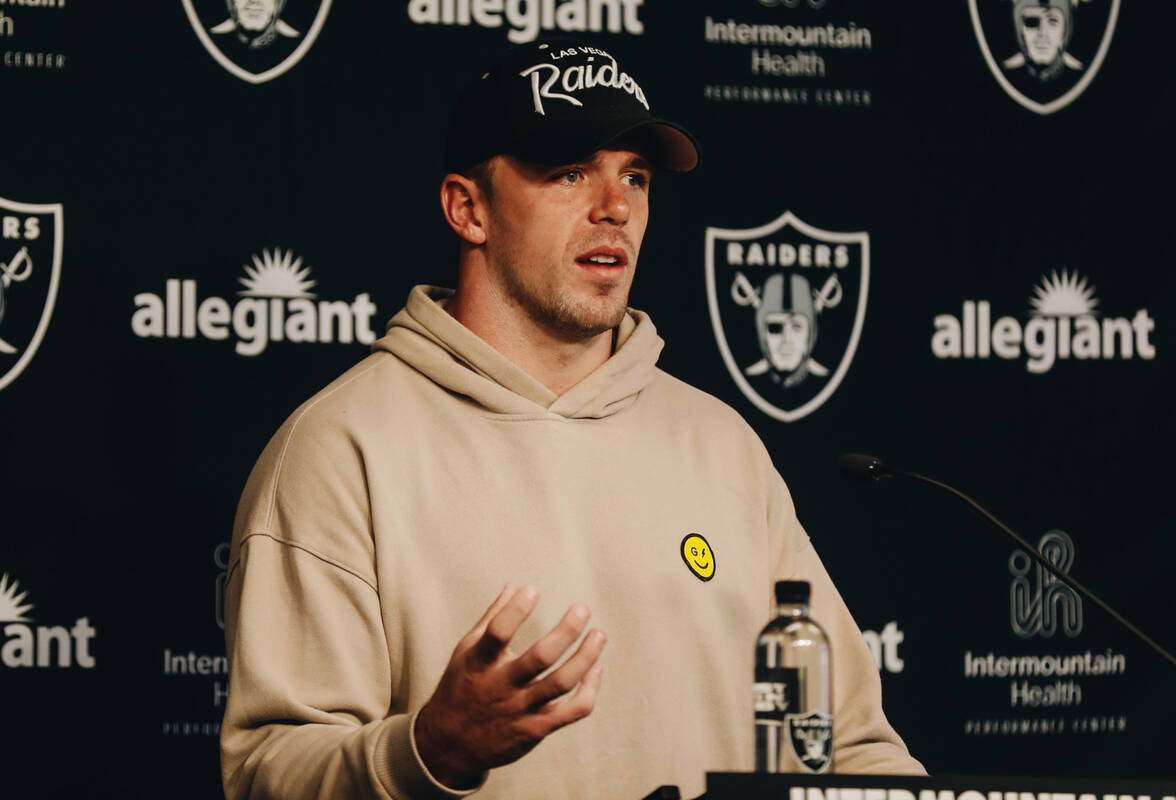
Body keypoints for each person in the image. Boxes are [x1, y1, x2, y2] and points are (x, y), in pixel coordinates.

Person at [220, 40, 924, 800]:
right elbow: (267, 774)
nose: (615, 208)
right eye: (568, 173)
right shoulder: (341, 448)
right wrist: (425, 752)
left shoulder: (721, 445)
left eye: (636, 177)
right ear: (469, 209)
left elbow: (849, 749)